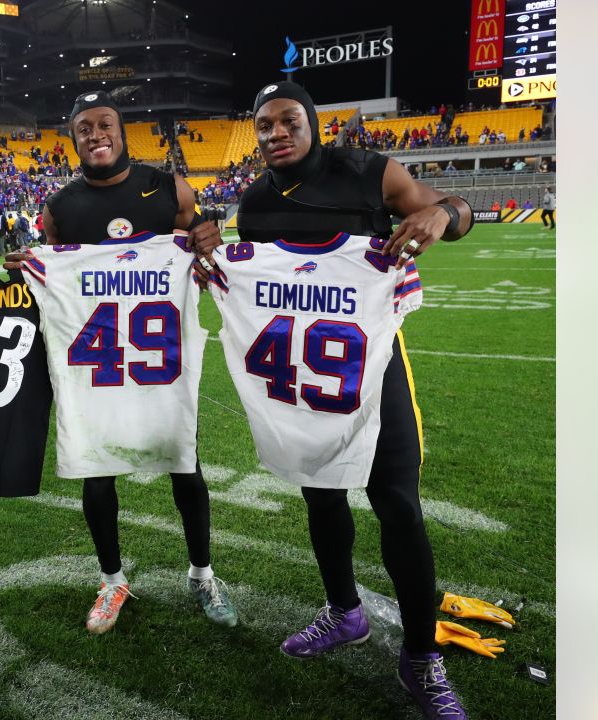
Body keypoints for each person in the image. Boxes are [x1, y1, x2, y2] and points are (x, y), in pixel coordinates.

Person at [203, 81, 475, 720]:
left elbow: (451, 210)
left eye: (288, 120)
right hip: (303, 377)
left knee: (398, 505)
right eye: (263, 124)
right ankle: (344, 611)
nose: (276, 133)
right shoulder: (254, 202)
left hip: (372, 370)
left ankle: (420, 654)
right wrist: (210, 259)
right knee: (319, 494)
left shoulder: (372, 171)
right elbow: (254, 281)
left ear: (314, 123)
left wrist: (443, 213)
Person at [2, 90, 236, 634]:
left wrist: (209, 237)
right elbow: (54, 275)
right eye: (84, 128)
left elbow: (204, 244)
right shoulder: (60, 207)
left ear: (122, 130)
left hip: (160, 364)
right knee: (97, 473)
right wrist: (28, 269)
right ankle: (111, 581)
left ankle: (201, 573)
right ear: (74, 138)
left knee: (185, 467)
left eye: (104, 123)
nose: (96, 134)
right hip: (99, 370)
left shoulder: (167, 186)